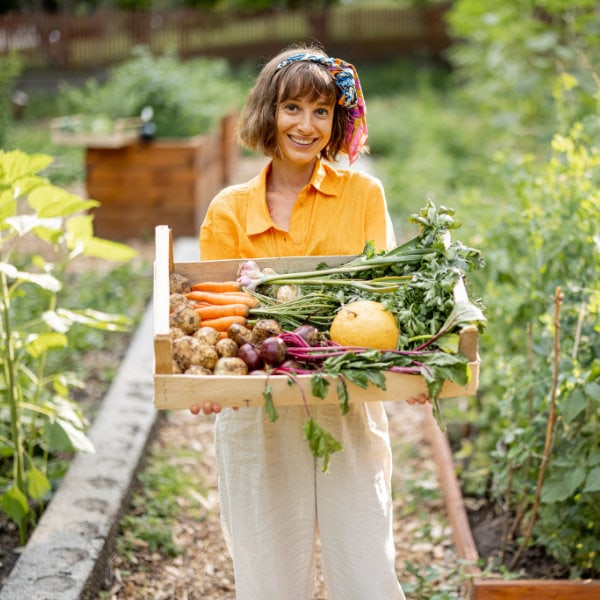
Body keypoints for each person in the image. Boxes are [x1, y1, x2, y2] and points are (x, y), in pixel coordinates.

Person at [191, 42, 426, 600]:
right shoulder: (228, 209)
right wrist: (206, 382)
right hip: (258, 408)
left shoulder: (363, 194)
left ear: (336, 120)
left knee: (365, 567)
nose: (306, 124)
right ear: (268, 113)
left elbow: (384, 299)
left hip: (346, 394)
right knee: (268, 574)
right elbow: (212, 316)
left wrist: (415, 359)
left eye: (322, 111)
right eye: (292, 108)